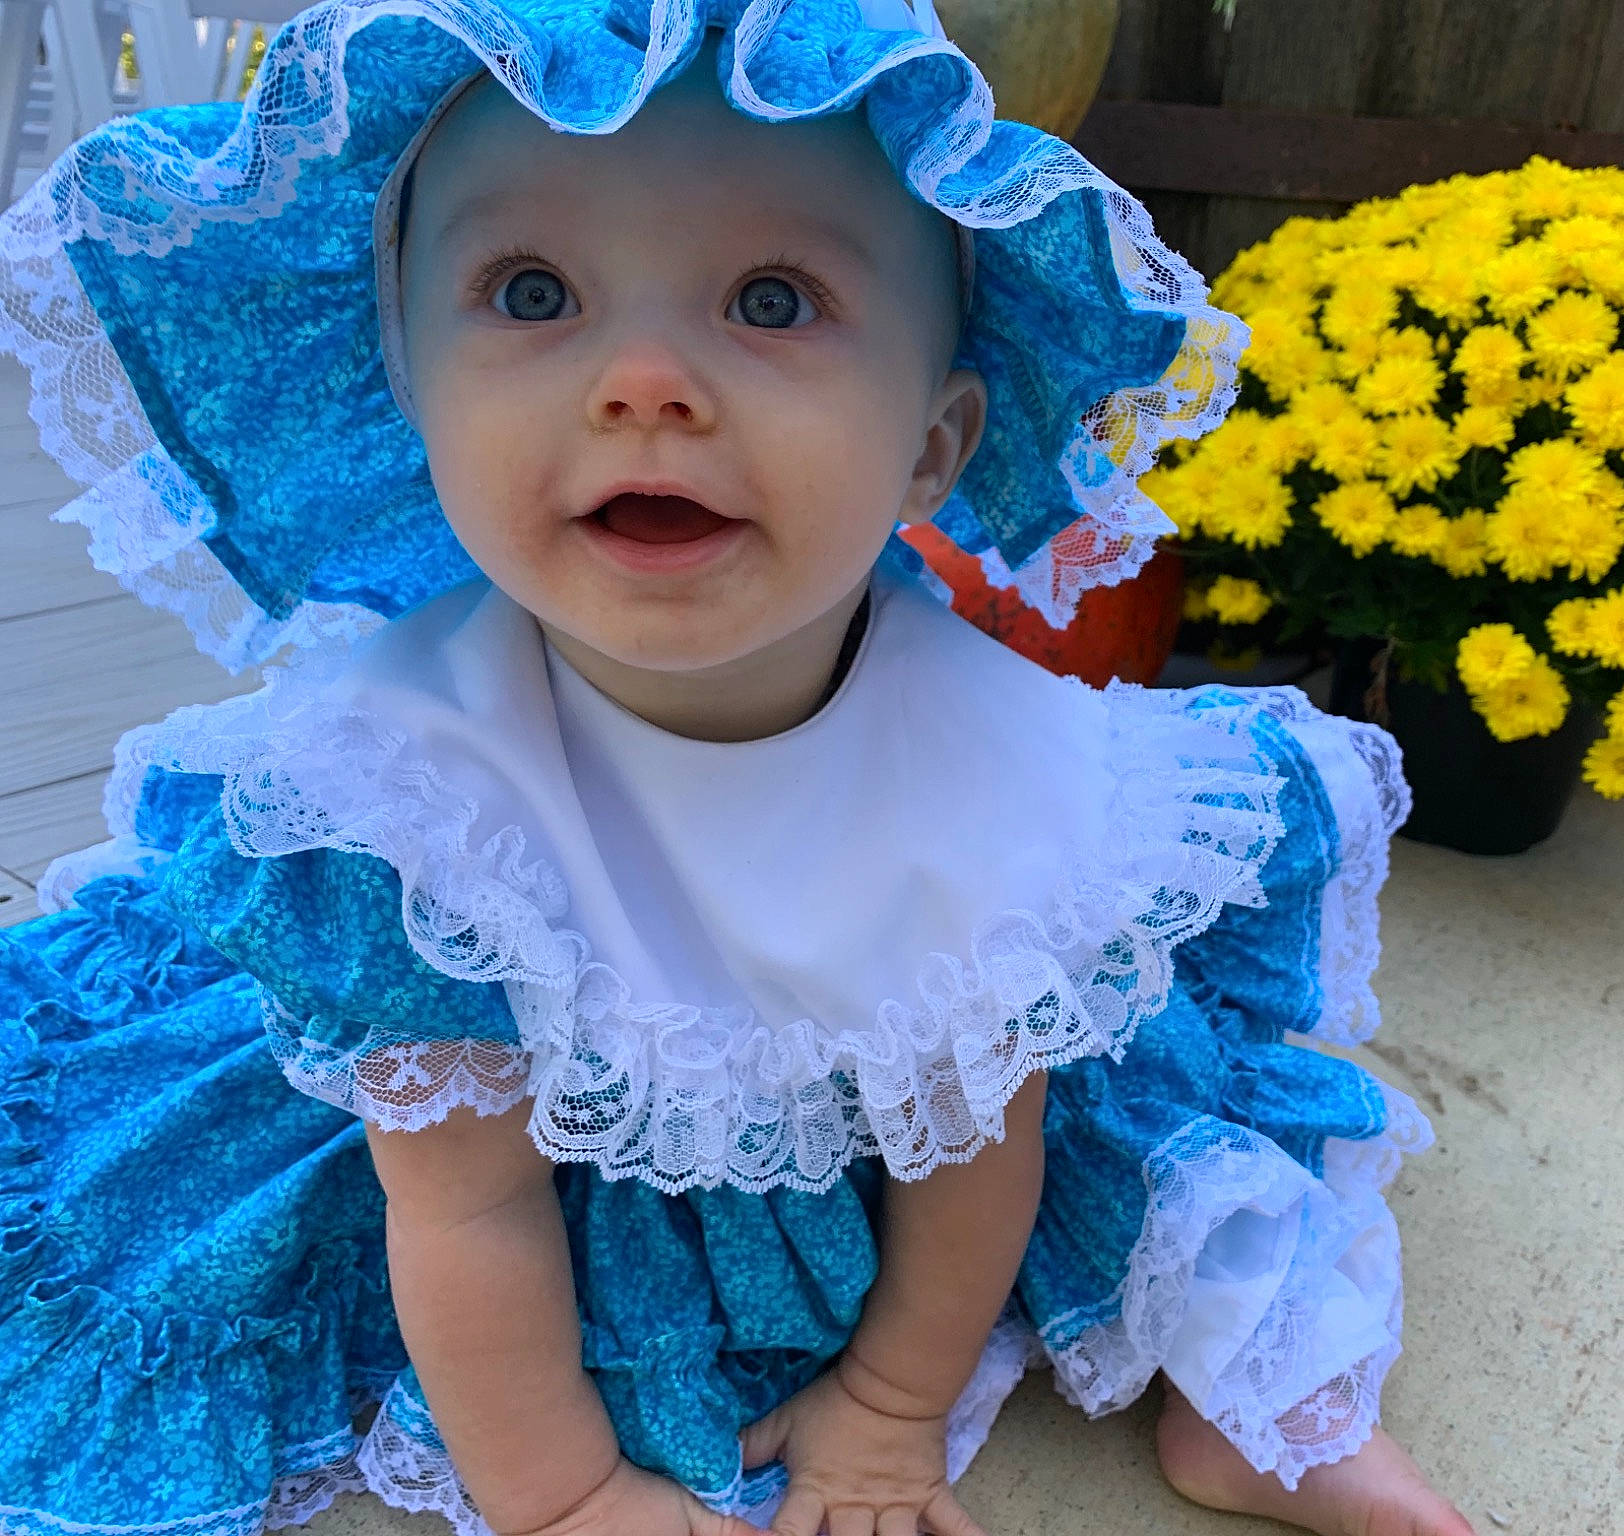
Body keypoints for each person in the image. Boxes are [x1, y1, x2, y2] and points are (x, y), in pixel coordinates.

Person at [0, 2, 1473, 1533]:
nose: (644, 381)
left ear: (933, 448)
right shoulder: (411, 808)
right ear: (411, 393)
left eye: (773, 300)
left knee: (1156, 1129)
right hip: (558, 1156)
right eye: (530, 291)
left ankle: (1268, 1403)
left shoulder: (987, 759)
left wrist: (893, 1407)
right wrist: (565, 1498)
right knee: (225, 1210)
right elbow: (470, 1204)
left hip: (899, 1129)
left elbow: (980, 1147)